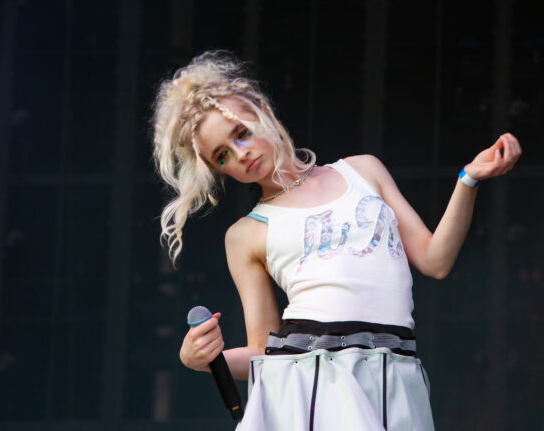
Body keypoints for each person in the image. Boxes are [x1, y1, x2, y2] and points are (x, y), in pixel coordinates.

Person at [152, 51, 521, 430]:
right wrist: (203, 360)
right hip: (315, 380)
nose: (241, 154)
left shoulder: (363, 170)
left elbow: (435, 260)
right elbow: (263, 350)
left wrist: (469, 178)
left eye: (242, 133)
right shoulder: (246, 233)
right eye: (223, 156)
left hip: (397, 373)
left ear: (264, 112)